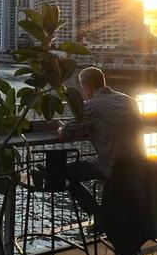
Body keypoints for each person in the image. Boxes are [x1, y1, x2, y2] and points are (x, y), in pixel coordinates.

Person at [56, 66, 147, 216]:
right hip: (139, 165)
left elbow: (65, 134)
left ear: (88, 87)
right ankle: (108, 216)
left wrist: (61, 128)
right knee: (93, 162)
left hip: (112, 167)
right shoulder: (129, 100)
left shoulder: (92, 106)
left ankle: (98, 215)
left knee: (62, 172)